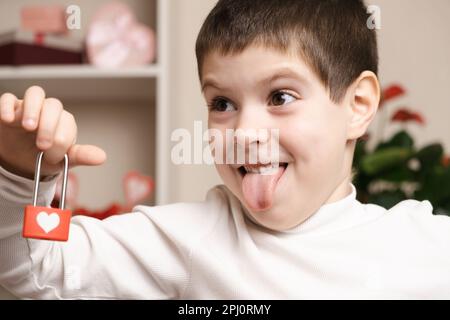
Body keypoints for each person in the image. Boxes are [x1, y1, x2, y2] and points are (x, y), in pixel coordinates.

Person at [0, 0, 449, 299]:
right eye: (222, 104)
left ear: (358, 106)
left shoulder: (422, 244)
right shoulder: (189, 239)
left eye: (280, 97)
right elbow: (36, 271)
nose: (245, 131)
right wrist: (19, 172)